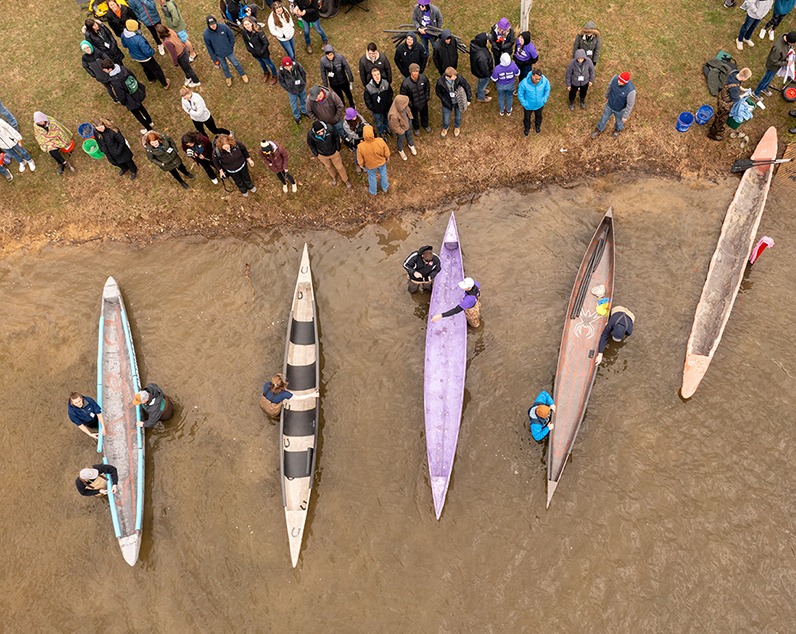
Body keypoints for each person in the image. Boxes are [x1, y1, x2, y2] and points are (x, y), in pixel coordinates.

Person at [101, 59, 155, 133]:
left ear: (110, 69)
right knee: (141, 107)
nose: (104, 71)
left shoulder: (115, 81)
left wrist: (122, 102)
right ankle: (150, 121)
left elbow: (120, 93)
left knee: (137, 114)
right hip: (135, 92)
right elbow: (132, 76)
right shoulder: (122, 68)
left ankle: (149, 129)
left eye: (104, 69)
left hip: (129, 99)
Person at [121, 19, 170, 88]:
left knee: (145, 68)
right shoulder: (138, 39)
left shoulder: (123, 35)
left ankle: (151, 79)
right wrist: (152, 51)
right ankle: (165, 83)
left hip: (136, 57)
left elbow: (124, 45)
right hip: (145, 58)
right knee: (156, 69)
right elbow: (147, 51)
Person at [203, 15, 249, 87]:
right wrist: (215, 60)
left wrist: (230, 46)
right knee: (224, 66)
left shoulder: (224, 27)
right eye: (211, 25)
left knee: (235, 63)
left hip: (229, 51)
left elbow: (231, 36)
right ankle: (228, 76)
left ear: (216, 22)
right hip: (219, 54)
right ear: (208, 25)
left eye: (214, 24)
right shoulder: (206, 35)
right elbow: (209, 48)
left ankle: (242, 74)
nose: (213, 26)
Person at [708, 67, 752, 141]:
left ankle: (717, 126)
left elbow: (737, 84)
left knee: (719, 116)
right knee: (721, 119)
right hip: (725, 104)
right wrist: (744, 95)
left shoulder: (734, 73)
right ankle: (712, 134)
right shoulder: (735, 89)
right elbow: (736, 99)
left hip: (722, 96)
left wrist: (743, 89)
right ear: (744, 78)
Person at [591, 71, 636, 139]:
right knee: (604, 118)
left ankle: (617, 129)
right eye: (619, 80)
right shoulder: (615, 79)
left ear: (625, 82)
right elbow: (609, 87)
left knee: (619, 121)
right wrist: (606, 96)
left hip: (620, 109)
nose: (618, 82)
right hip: (610, 105)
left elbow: (630, 105)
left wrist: (625, 116)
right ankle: (599, 129)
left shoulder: (631, 91)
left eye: (621, 82)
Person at [307, 120, 351, 188]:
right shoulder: (310, 135)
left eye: (322, 131)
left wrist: (337, 149)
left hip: (334, 153)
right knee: (328, 167)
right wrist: (317, 154)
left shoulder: (330, 128)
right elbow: (311, 145)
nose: (321, 133)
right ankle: (333, 177)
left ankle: (346, 180)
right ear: (315, 132)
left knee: (340, 167)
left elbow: (336, 138)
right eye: (318, 132)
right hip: (322, 155)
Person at [754, 31, 796, 96]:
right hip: (772, 67)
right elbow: (773, 61)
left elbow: (787, 48)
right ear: (789, 41)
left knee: (770, 78)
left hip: (777, 65)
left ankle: (765, 87)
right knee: (766, 79)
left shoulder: (785, 35)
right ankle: (756, 92)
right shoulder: (778, 48)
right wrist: (786, 63)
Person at [435, 66, 471, 138]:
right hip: (447, 103)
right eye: (454, 77)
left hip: (458, 102)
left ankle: (457, 127)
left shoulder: (459, 78)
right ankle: (445, 128)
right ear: (448, 77)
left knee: (458, 117)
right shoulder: (440, 82)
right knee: (446, 118)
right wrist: (443, 99)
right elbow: (438, 92)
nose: (456, 77)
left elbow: (467, 87)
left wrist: (469, 99)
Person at [241, 16, 278, 84]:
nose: (247, 26)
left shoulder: (258, 31)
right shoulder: (244, 32)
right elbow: (246, 42)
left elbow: (266, 43)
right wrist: (250, 50)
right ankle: (266, 73)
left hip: (263, 53)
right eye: (245, 25)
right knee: (261, 64)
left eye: (248, 24)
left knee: (269, 64)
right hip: (255, 53)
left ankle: (275, 75)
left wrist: (261, 52)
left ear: (251, 23)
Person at [357, 124, 390, 195]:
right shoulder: (380, 141)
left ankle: (373, 191)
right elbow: (386, 151)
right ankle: (385, 188)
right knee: (383, 175)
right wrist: (387, 157)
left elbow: (360, 159)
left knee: (372, 177)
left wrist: (361, 165)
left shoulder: (360, 146)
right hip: (381, 162)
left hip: (370, 165)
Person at [401, 63, 432, 134]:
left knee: (425, 114)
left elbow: (427, 86)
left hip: (423, 101)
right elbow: (403, 95)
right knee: (414, 117)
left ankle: (425, 125)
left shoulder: (423, 78)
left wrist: (427, 96)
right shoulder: (405, 83)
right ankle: (416, 128)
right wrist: (410, 103)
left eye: (417, 71)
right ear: (410, 72)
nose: (416, 73)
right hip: (413, 104)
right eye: (414, 71)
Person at [277, 57, 309, 124]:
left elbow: (303, 73)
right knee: (294, 105)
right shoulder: (281, 71)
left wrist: (303, 82)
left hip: (301, 88)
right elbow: (281, 81)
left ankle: (304, 111)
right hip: (292, 91)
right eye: (286, 67)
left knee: (304, 100)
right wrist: (288, 88)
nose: (289, 68)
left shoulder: (297, 65)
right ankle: (297, 116)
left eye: (290, 66)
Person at [364, 68, 394, 137]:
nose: (377, 76)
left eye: (378, 74)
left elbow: (390, 93)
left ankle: (386, 128)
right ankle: (381, 132)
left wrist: (389, 103)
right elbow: (367, 100)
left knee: (386, 118)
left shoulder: (385, 83)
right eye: (375, 75)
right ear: (372, 77)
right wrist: (373, 108)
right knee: (378, 122)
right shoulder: (368, 88)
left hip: (386, 107)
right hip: (376, 110)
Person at [388, 94, 416, 160]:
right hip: (401, 129)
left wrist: (410, 117)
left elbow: (407, 109)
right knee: (400, 139)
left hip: (407, 123)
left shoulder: (402, 104)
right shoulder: (393, 116)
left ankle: (410, 144)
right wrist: (402, 132)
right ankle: (400, 149)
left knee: (409, 134)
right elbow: (395, 126)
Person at [470, 33, 495, 103]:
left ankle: (480, 90)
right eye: (487, 40)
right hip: (483, 74)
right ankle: (481, 97)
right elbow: (484, 69)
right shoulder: (482, 57)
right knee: (483, 84)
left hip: (477, 70)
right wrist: (489, 74)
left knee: (481, 83)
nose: (488, 41)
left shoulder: (475, 45)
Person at [342, 107, 368, 172]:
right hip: (355, 140)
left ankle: (365, 163)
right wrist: (361, 135)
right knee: (357, 153)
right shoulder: (346, 125)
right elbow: (352, 135)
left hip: (363, 137)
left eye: (355, 116)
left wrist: (366, 130)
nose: (355, 117)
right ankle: (358, 164)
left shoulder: (359, 117)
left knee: (365, 151)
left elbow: (365, 123)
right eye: (352, 117)